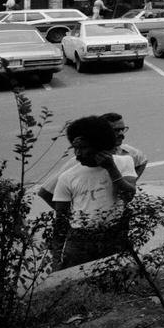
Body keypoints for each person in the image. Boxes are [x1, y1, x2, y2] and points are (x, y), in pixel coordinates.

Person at [49, 115, 137, 270]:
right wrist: (56, 257)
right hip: (79, 242)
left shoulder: (124, 162)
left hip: (114, 234)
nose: (77, 154)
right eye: (75, 148)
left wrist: (111, 169)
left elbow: (128, 196)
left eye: (83, 148)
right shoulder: (67, 177)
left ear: (98, 146)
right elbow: (61, 220)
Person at [102, 112, 147, 178]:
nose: (121, 134)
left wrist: (131, 181)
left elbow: (142, 161)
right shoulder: (88, 155)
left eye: (122, 129)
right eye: (116, 130)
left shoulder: (128, 152)